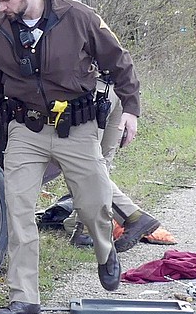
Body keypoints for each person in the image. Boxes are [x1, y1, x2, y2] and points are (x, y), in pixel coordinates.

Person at [0, 0, 143, 314]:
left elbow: (119, 62)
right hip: (25, 130)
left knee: (93, 203)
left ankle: (105, 249)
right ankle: (24, 298)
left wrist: (131, 107)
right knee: (17, 211)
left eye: (5, 0)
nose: (0, 8)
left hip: (77, 129)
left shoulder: (78, 17)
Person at [64, 74, 161, 250]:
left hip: (93, 91)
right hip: (117, 89)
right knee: (99, 164)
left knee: (81, 165)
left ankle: (133, 217)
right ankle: (83, 227)